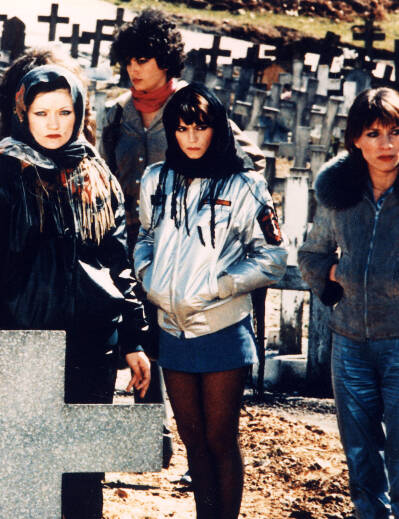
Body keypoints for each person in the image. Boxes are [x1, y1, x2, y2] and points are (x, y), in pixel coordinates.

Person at [0, 64, 151, 519]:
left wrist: (132, 339)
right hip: (25, 343)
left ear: (79, 113)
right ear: (23, 114)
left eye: (65, 112)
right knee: (27, 477)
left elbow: (117, 261)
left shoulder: (95, 173)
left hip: (92, 345)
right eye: (41, 113)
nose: (54, 124)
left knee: (83, 476)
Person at [101, 8, 266, 469]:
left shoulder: (192, 108)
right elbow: (105, 175)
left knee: (183, 348)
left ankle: (193, 456)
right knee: (139, 338)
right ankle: (148, 439)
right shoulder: (116, 114)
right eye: (128, 60)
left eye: (144, 59)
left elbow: (246, 164)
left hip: (193, 257)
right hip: (135, 248)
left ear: (167, 61)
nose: (134, 69)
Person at [134, 83, 286, 519]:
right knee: (193, 440)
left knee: (220, 439)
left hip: (223, 328)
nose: (192, 138)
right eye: (182, 129)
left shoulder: (245, 185)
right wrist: (150, 279)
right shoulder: (156, 179)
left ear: (217, 128)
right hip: (172, 329)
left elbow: (273, 257)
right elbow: (144, 237)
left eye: (200, 127)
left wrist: (219, 286)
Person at [298, 86, 399, 519]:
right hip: (350, 343)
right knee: (360, 453)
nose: (386, 144)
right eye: (373, 133)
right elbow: (312, 255)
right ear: (356, 140)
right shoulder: (339, 192)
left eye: (396, 132)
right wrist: (341, 275)